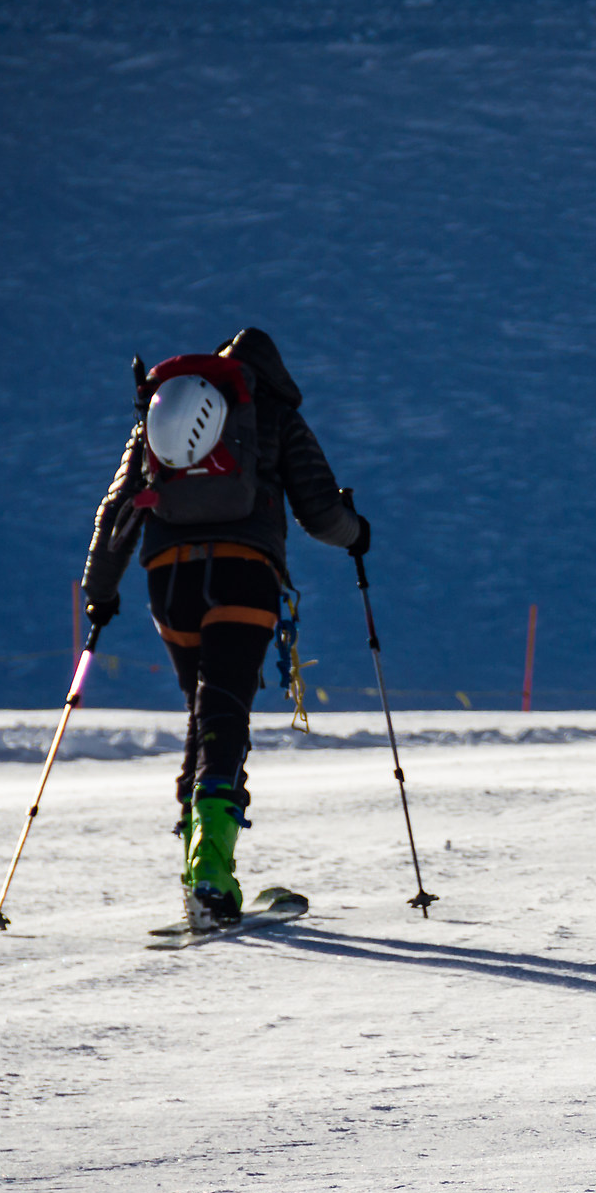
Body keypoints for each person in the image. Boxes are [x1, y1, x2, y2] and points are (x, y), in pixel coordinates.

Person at [81, 328, 369, 930]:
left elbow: (118, 508)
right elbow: (321, 515)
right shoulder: (276, 416)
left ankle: (199, 873)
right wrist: (358, 532)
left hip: (169, 581)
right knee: (225, 711)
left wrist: (99, 594)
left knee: (203, 711)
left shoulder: (169, 410)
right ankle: (211, 875)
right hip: (243, 574)